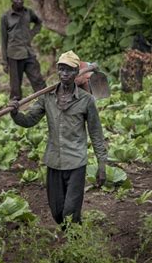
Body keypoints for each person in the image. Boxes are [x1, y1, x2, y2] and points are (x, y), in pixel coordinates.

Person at [9, 50, 107, 226]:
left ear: (77, 73)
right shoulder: (47, 97)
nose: (64, 74)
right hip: (54, 161)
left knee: (70, 210)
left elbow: (96, 134)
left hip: (76, 162)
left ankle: (75, 243)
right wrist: (16, 113)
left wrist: (102, 165)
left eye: (68, 70)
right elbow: (29, 120)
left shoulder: (86, 100)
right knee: (57, 212)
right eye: (61, 69)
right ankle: (73, 236)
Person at [0, 0, 46, 100]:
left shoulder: (28, 12)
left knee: (37, 79)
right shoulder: (6, 17)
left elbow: (38, 22)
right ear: (12, 0)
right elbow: (3, 39)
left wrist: (32, 33)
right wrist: (5, 62)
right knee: (15, 86)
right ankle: (15, 109)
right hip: (14, 55)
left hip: (28, 52)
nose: (19, 1)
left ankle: (46, 100)